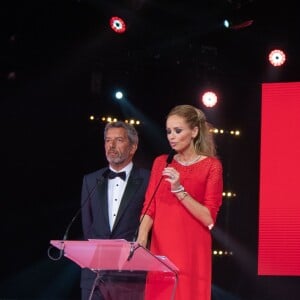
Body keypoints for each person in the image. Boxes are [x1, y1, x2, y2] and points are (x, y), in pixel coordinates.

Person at [137, 104, 223, 300]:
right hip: (162, 249)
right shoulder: (162, 162)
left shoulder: (211, 166)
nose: (171, 136)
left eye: (178, 130)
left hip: (192, 251)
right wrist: (142, 236)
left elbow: (209, 219)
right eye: (168, 131)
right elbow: (149, 206)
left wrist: (179, 190)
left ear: (194, 131)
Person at [80, 121, 150, 300]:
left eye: (118, 140)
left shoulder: (148, 180)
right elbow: (88, 226)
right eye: (108, 140)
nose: (111, 145)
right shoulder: (91, 180)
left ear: (133, 147)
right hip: (95, 276)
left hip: (131, 277)